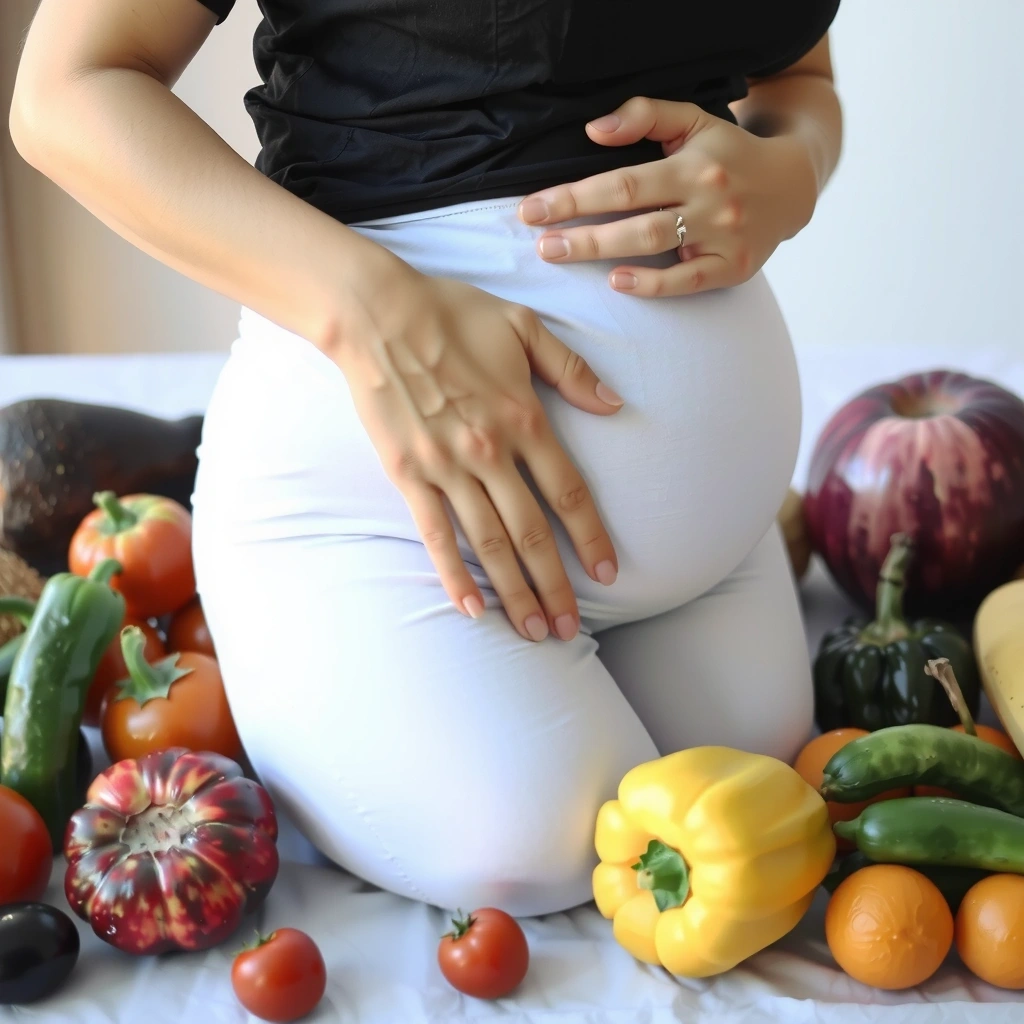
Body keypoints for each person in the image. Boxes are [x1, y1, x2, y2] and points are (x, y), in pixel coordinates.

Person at [10, 0, 843, 916]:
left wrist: (794, 164)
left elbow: (799, 81)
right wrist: (371, 312)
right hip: (380, 527)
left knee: (756, 773)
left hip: (709, 557)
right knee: (535, 844)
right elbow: (67, 90)